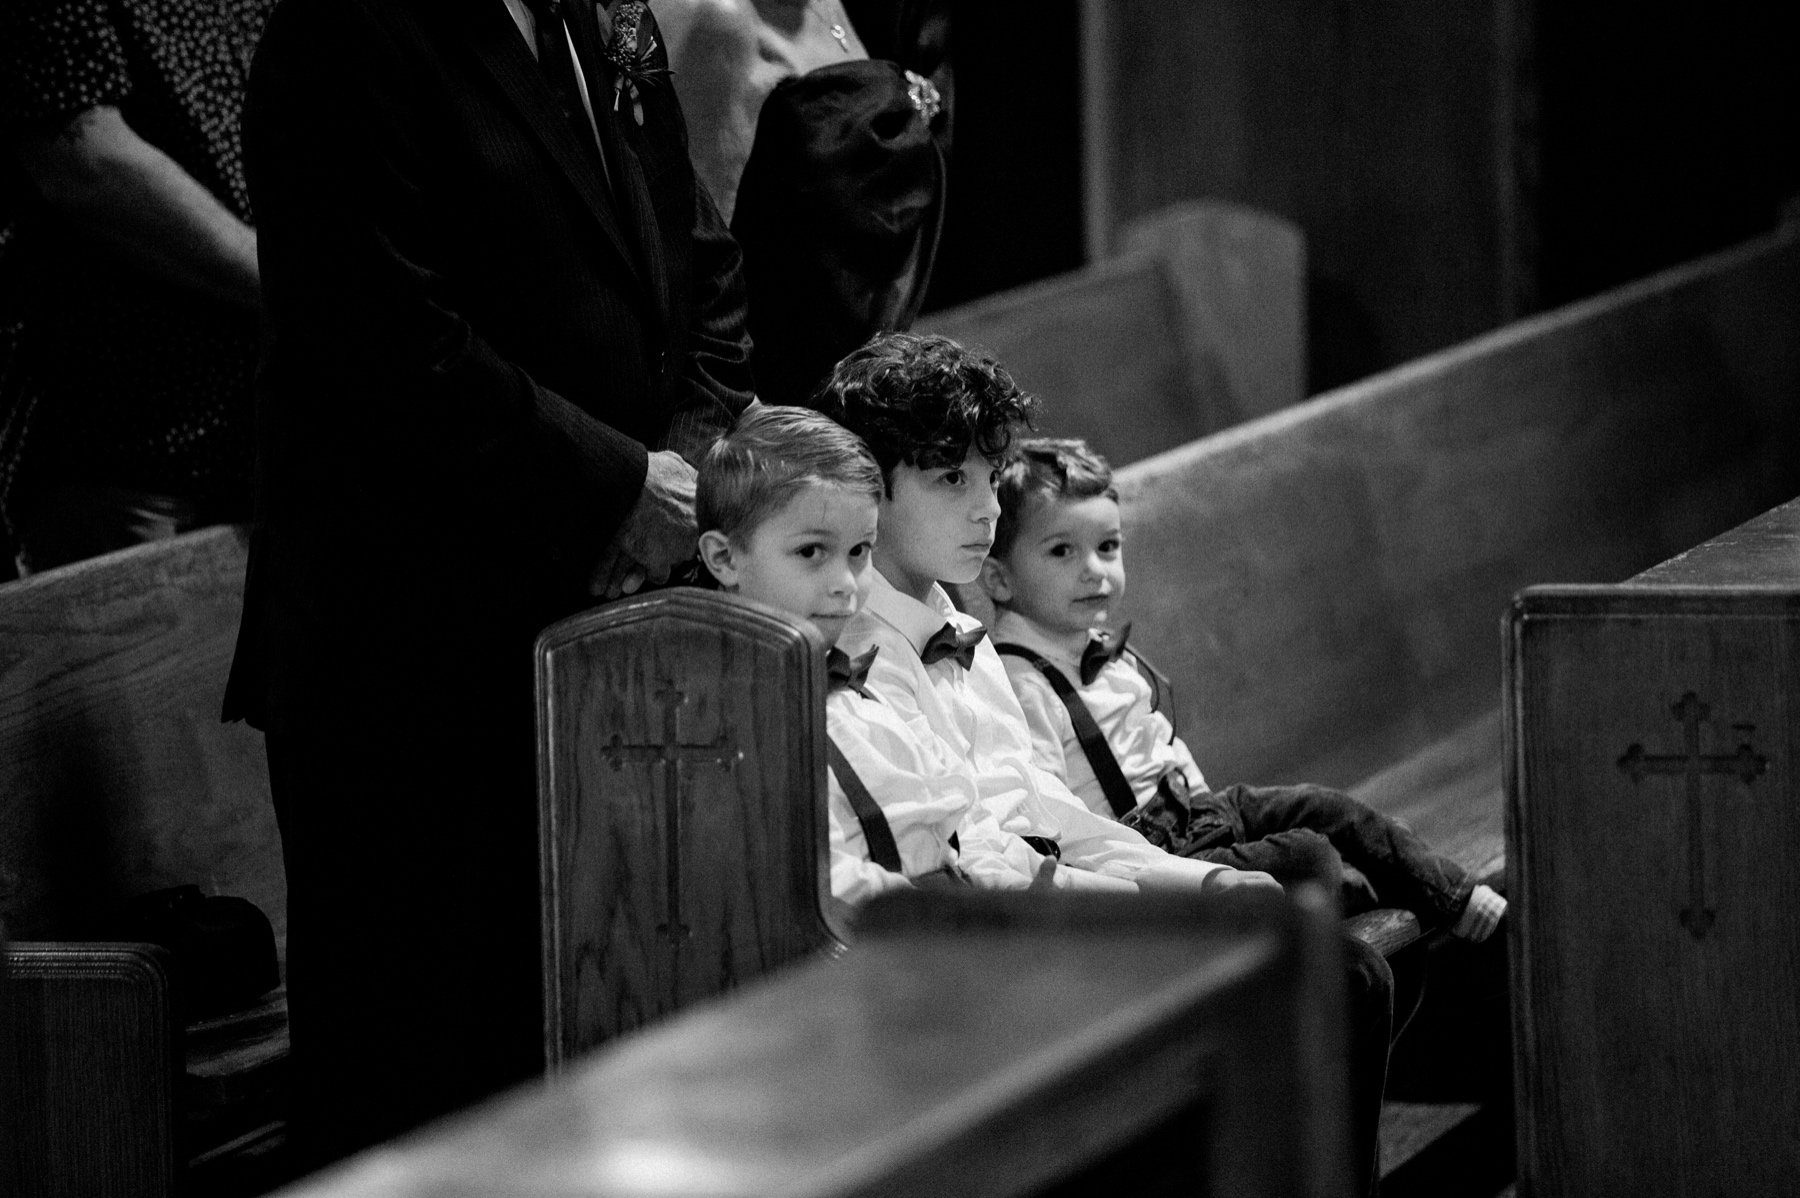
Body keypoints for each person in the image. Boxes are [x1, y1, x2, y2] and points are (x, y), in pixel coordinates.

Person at [224, 0, 754, 1168]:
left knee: (588, 1079)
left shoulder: (600, 12)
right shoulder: (351, 32)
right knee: (423, 1088)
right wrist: (614, 486)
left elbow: (699, 257)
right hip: (411, 655)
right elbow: (377, 331)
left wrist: (693, 450)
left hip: (604, 635)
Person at [816, 332, 1396, 1197]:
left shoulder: (957, 626)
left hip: (1040, 906)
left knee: (1339, 966)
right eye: (951, 481)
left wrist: (1187, 883)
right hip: (979, 943)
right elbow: (974, 854)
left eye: (988, 477)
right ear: (872, 487)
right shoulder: (858, 654)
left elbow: (1044, 806)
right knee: (1322, 979)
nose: (985, 510)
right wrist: (1140, 906)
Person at [979, 436, 1508, 943]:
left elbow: (1160, 747)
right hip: (1151, 853)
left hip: (1197, 812)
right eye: (1061, 552)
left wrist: (1213, 814)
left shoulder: (1093, 643)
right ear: (999, 580)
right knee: (1308, 857)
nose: (1095, 570)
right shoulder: (1018, 682)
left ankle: (1450, 894)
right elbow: (1048, 816)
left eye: (1108, 547)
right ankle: (1346, 894)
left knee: (1323, 808)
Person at [692, 405, 1158, 921]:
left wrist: (1040, 893)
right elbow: (827, 889)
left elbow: (958, 837)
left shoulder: (863, 695)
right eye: (810, 553)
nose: (845, 584)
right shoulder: (731, 719)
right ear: (725, 559)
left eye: (859, 552)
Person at [0, 0, 271, 573]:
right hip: (131, 447)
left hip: (279, 435)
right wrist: (303, 282)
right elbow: (85, 162)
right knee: (145, 655)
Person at [656, 0, 951, 405]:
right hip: (777, 388)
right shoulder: (715, 19)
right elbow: (691, 250)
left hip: (864, 369)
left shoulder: (827, 4)